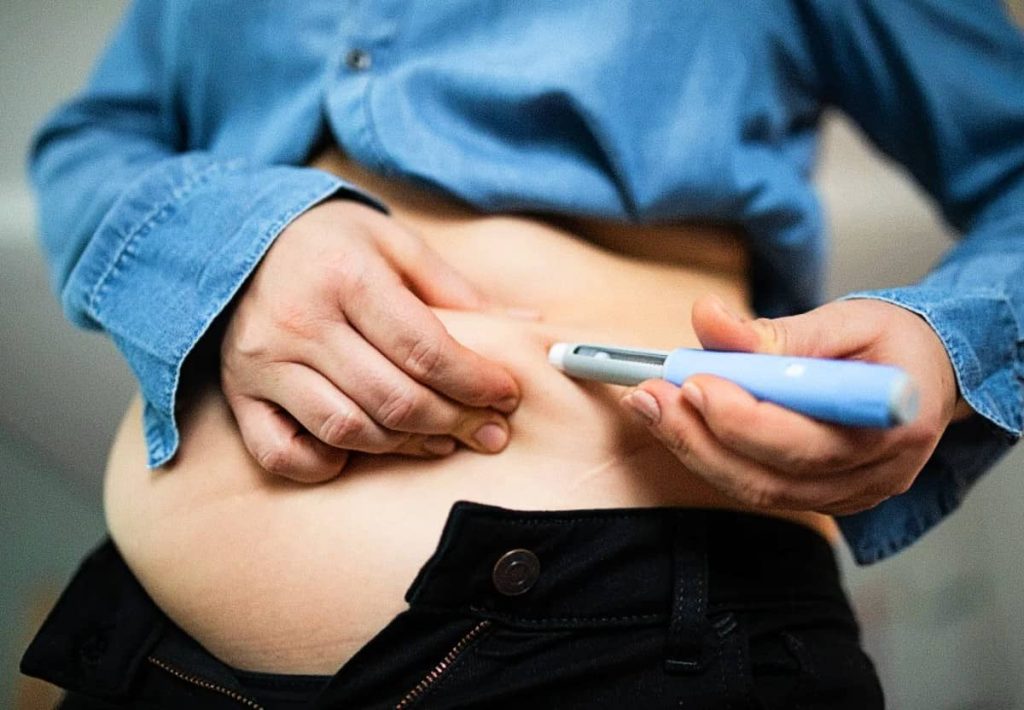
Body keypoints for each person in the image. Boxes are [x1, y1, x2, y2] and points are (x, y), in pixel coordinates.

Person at [20, 1, 1023, 708]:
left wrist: (948, 340)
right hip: (150, 646)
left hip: (630, 633)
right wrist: (234, 245)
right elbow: (90, 142)